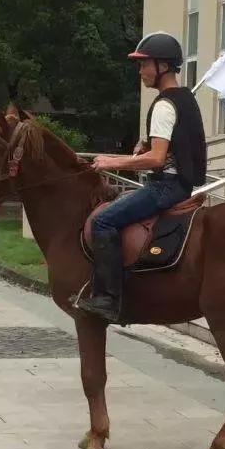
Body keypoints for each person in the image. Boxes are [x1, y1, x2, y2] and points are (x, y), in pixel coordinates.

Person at [76, 31, 207, 324]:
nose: (141, 70)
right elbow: (173, 146)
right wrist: (144, 148)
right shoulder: (186, 99)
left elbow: (157, 159)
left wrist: (114, 161)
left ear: (162, 65)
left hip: (166, 187)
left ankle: (107, 298)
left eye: (144, 64)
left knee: (103, 220)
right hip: (182, 184)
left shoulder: (164, 105)